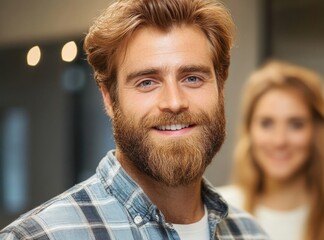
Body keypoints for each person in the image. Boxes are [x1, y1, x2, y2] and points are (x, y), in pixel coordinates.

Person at [0, 0, 269, 239]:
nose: (174, 102)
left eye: (192, 78)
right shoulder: (39, 236)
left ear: (221, 86)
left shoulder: (249, 233)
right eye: (147, 82)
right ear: (109, 98)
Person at [218, 60, 324, 240]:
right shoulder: (217, 209)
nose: (279, 141)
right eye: (266, 123)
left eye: (296, 125)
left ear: (317, 131)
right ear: (249, 130)